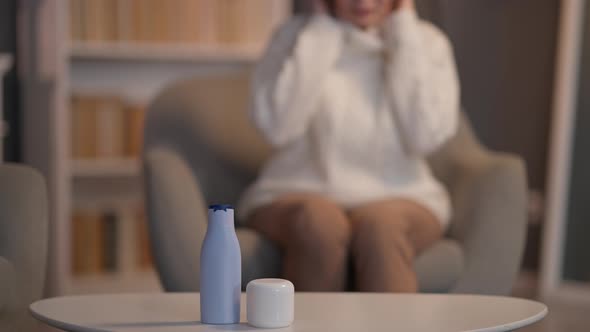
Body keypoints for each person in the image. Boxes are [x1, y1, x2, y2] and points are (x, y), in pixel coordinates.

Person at [237, 0, 460, 292]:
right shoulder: (289, 38)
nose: (363, 3)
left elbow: (425, 137)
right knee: (319, 223)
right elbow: (277, 129)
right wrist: (321, 31)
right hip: (293, 192)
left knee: (382, 227)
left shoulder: (428, 42)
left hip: (403, 194)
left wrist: (403, 29)